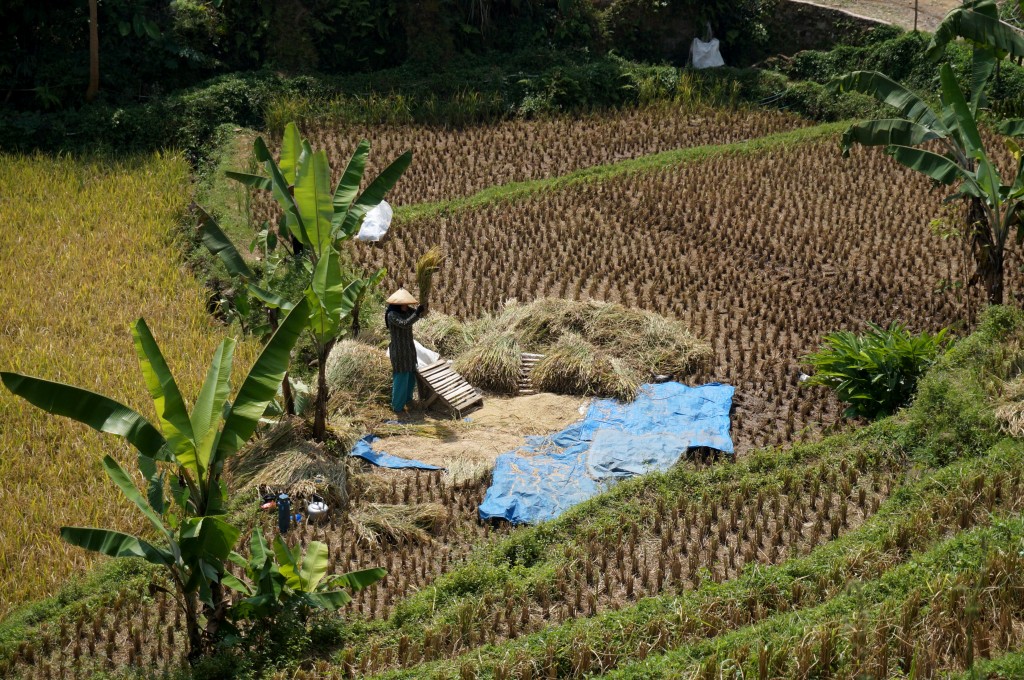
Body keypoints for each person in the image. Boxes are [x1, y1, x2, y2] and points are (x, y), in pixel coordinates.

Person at [385, 287, 425, 414]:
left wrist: (423, 307)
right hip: (399, 351)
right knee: (401, 377)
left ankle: (408, 401)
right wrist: (417, 313)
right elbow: (405, 324)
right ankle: (397, 406)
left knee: (410, 376)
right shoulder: (392, 315)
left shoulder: (406, 311)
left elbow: (418, 314)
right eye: (404, 304)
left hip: (409, 350)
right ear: (397, 305)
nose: (407, 306)